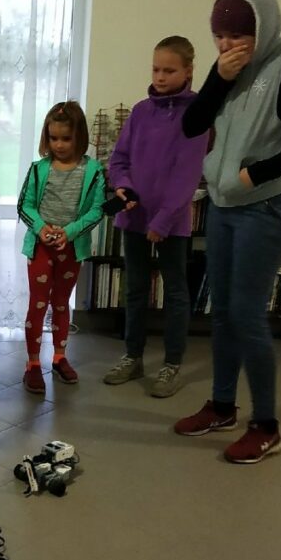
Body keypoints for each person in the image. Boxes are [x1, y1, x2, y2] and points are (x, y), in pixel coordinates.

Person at [174, 0, 281, 463]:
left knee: (245, 313)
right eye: (219, 36)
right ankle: (222, 406)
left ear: (262, 27)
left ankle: (267, 426)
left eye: (238, 35)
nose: (227, 45)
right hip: (225, 204)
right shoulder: (226, 67)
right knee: (222, 309)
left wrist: (257, 173)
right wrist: (218, 79)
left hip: (268, 204)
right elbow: (191, 124)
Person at [101, 36, 210, 397]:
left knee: (175, 292)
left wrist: (162, 220)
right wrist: (123, 187)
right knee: (134, 289)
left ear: (188, 71)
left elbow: (187, 175)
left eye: (169, 70)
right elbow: (119, 160)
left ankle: (172, 365)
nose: (160, 77)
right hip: (133, 218)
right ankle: (132, 356)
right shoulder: (140, 112)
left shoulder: (196, 114)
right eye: (155, 69)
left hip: (170, 223)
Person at [17, 101, 106, 393]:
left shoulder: (93, 171)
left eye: (66, 138)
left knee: (61, 303)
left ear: (79, 136)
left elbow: (96, 211)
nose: (59, 144)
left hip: (71, 248)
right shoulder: (38, 169)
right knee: (38, 303)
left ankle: (59, 357)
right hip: (41, 248)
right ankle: (32, 362)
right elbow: (25, 205)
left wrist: (68, 232)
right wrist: (41, 229)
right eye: (53, 138)